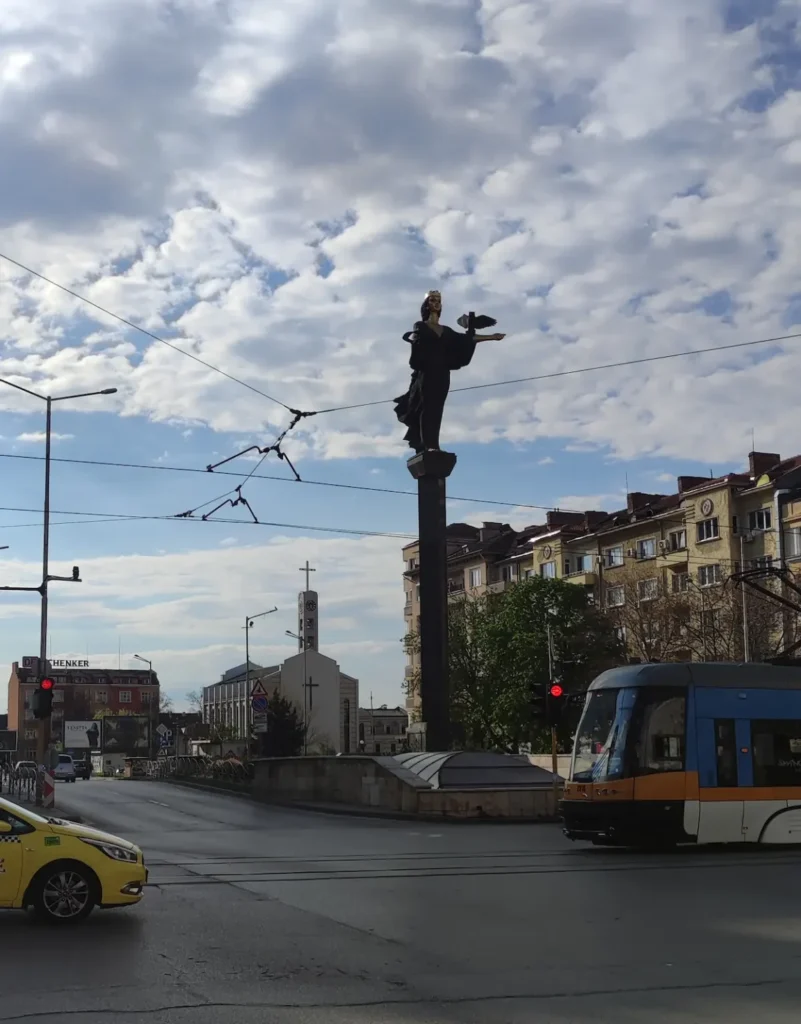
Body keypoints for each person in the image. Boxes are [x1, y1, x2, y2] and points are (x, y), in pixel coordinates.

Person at [394, 290, 505, 453]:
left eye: (438, 300)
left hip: (442, 373)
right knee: (428, 406)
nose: (436, 303)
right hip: (427, 372)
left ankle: (434, 444)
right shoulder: (420, 326)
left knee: (437, 408)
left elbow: (465, 340)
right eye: (432, 300)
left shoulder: (447, 331)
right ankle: (427, 445)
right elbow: (418, 346)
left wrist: (492, 337)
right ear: (426, 305)